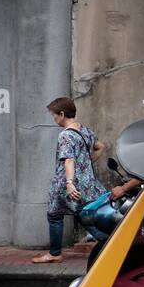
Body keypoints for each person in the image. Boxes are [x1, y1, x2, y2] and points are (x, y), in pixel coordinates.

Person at [34, 97, 108, 264]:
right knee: (83, 214)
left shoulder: (65, 135)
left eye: (54, 115)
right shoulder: (86, 130)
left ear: (62, 114)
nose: (54, 119)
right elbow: (100, 146)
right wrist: (86, 165)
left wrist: (69, 183)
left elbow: (68, 160)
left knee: (58, 215)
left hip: (66, 183)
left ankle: (55, 253)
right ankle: (109, 242)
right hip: (87, 182)